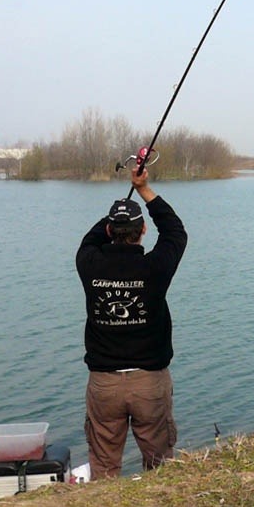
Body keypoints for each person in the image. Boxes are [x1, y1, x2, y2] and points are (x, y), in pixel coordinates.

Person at [75, 168, 188, 480]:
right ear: (143, 231)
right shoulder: (155, 268)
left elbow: (90, 239)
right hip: (149, 383)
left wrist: (116, 212)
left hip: (103, 385)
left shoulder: (88, 263)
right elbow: (175, 232)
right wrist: (144, 190)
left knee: (104, 466)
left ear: (110, 231)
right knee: (160, 468)